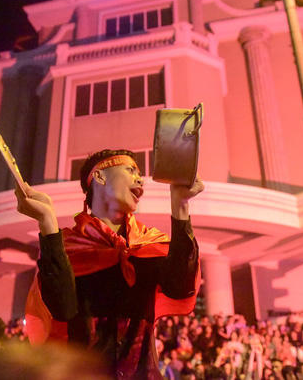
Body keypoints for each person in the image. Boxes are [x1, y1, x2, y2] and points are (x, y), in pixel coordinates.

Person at [20, 149, 203, 379]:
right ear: (99, 176)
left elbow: (180, 287)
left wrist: (180, 204)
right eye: (130, 170)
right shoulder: (67, 246)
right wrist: (47, 222)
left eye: (139, 174)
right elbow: (62, 309)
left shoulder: (149, 243)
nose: (140, 179)